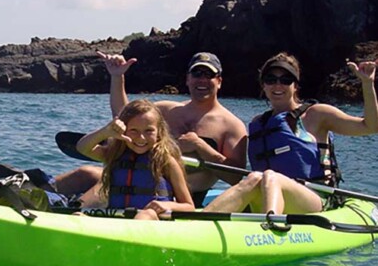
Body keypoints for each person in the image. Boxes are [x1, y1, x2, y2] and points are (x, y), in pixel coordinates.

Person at [204, 52, 378, 214]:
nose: (278, 85)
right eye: (271, 79)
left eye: (286, 79)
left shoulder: (316, 114)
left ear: (295, 86)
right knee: (254, 177)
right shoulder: (258, 123)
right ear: (263, 85)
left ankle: (270, 228)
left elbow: (369, 126)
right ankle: (201, 221)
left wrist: (367, 84)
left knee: (271, 177)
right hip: (266, 190)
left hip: (315, 197)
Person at [97, 50, 248, 206]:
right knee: (87, 173)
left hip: (183, 199)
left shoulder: (232, 125)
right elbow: (124, 118)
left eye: (208, 75)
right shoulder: (164, 110)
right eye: (196, 74)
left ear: (219, 81)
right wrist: (117, 76)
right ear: (188, 79)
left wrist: (201, 146)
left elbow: (234, 178)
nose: (202, 80)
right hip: (141, 183)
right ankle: (74, 211)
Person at [76, 99, 195, 220]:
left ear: (159, 132)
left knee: (146, 214)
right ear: (124, 131)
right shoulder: (114, 155)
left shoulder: (166, 162)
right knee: (78, 216)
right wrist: (105, 132)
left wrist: (166, 205)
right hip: (118, 220)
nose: (141, 138)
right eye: (133, 131)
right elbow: (82, 148)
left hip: (153, 222)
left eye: (149, 131)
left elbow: (189, 206)